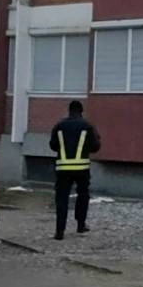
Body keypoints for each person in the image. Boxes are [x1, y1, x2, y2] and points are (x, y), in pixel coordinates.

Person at [50, 100, 101, 240]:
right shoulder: (87, 126)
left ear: (69, 110)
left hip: (63, 168)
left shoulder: (59, 126)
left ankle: (59, 230)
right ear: (81, 111)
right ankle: (80, 224)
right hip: (81, 168)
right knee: (83, 196)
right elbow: (96, 146)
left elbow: (53, 146)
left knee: (61, 199)